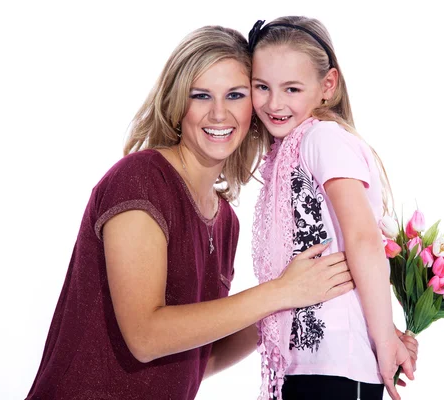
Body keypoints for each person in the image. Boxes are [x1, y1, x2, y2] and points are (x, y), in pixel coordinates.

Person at [25, 25, 355, 400]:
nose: (219, 113)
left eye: (235, 95)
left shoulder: (225, 220)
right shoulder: (141, 180)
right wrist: (279, 292)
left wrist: (306, 302)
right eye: (201, 96)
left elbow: (200, 359)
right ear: (177, 103)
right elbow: (146, 337)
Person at [248, 17, 418, 400]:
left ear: (327, 86)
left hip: (340, 361)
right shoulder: (286, 152)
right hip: (305, 362)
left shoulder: (323, 138)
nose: (274, 103)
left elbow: (363, 237)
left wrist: (385, 335)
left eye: (292, 88)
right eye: (262, 87)